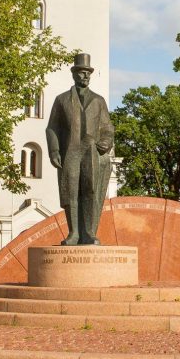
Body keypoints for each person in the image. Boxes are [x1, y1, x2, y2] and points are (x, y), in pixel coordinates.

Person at [45, 53, 114, 245]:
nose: (85, 77)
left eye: (88, 73)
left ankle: (89, 233)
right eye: (82, 73)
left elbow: (107, 128)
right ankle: (74, 233)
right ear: (74, 75)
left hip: (91, 152)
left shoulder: (98, 101)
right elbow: (52, 127)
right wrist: (54, 151)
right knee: (71, 193)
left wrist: (106, 142)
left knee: (91, 191)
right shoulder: (62, 100)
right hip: (70, 152)